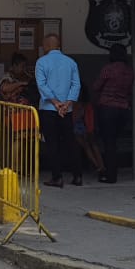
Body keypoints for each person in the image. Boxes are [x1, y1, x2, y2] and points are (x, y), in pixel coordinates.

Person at [34, 33, 82, 187]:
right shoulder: (71, 62)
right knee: (70, 141)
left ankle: (57, 177)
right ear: (59, 45)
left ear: (46, 46)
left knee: (52, 143)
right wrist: (67, 103)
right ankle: (77, 176)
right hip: (67, 110)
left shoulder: (41, 62)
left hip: (49, 109)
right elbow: (76, 84)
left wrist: (55, 103)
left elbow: (42, 85)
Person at [91, 43, 135, 183]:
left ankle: (110, 175)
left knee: (108, 143)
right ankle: (112, 171)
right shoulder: (130, 71)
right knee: (114, 142)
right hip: (123, 109)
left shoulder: (108, 69)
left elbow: (96, 86)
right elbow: (129, 91)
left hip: (107, 109)